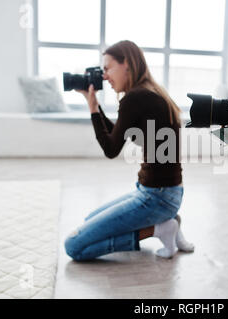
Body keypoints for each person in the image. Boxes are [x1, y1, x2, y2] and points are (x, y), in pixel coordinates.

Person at [65, 40, 194, 261]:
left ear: (126, 64)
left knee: (74, 246)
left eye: (107, 68)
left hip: (157, 197)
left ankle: (158, 229)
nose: (104, 76)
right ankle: (170, 222)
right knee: (88, 221)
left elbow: (111, 149)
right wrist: (94, 105)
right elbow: (117, 135)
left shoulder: (134, 98)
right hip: (164, 192)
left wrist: (93, 109)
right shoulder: (151, 92)